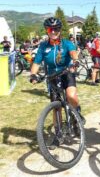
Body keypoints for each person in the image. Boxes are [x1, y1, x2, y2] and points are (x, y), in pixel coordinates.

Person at [30, 17, 84, 149]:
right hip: (52, 76)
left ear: (60, 30)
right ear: (46, 31)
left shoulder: (66, 43)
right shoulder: (43, 46)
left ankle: (76, 112)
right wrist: (33, 74)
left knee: (71, 96)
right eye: (50, 29)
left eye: (56, 29)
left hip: (66, 73)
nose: (53, 31)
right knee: (56, 107)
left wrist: (75, 61)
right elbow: (37, 62)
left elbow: (73, 53)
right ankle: (59, 134)